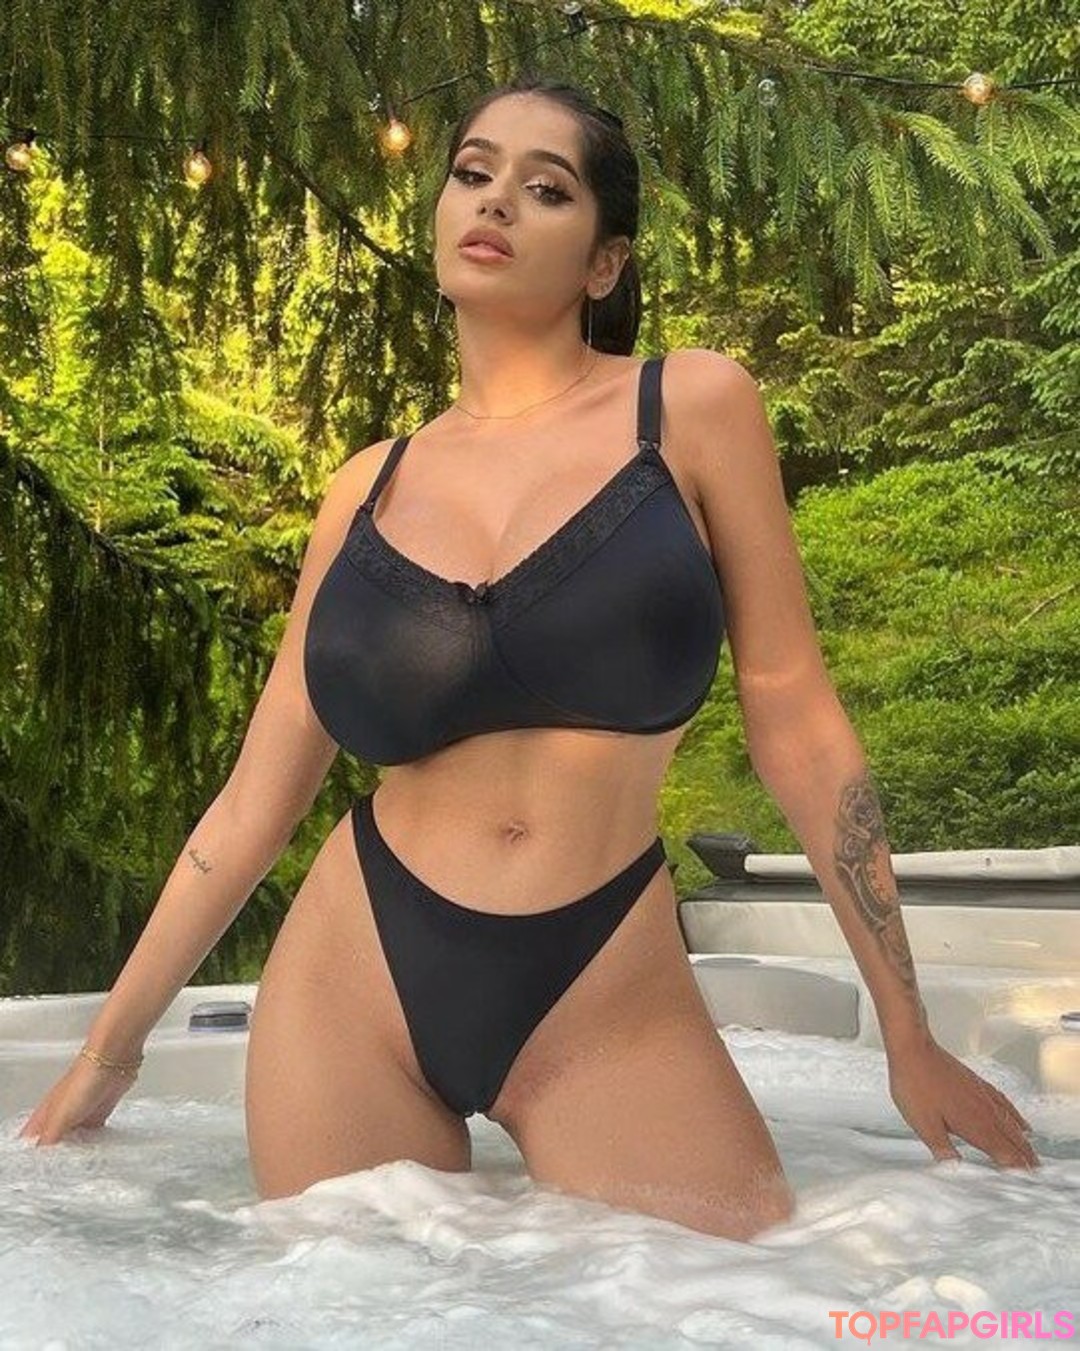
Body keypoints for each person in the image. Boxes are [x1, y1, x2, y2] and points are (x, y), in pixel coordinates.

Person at [19, 74, 1038, 1240]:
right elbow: (255, 802)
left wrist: (908, 1033)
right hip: (357, 973)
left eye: (545, 189)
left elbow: (796, 722)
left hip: (600, 978)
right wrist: (108, 1055)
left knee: (738, 1283)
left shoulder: (690, 410)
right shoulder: (366, 487)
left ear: (605, 263)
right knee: (343, 1310)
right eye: (473, 172)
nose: (496, 199)